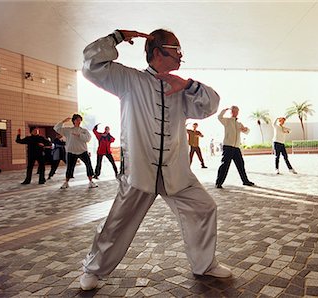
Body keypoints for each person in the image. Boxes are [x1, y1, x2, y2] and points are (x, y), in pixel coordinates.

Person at [79, 28, 231, 291]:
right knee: (117, 224)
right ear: (159, 51)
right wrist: (116, 37)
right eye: (176, 49)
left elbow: (210, 105)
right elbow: (91, 64)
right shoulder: (128, 79)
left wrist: (189, 85)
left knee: (204, 208)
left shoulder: (181, 87)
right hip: (139, 171)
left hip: (176, 171)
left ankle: (204, 264)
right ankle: (93, 269)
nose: (181, 55)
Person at [53, 114, 97, 189]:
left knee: (88, 165)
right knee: (70, 167)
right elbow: (56, 128)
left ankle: (91, 182)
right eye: (77, 120)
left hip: (83, 151)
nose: (79, 121)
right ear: (73, 121)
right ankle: (66, 182)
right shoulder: (68, 130)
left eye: (80, 120)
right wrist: (63, 121)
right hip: (71, 151)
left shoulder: (84, 130)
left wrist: (79, 135)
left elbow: (88, 139)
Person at [215, 106, 255, 188]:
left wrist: (245, 129)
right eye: (233, 111)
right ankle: (218, 183)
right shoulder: (227, 121)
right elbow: (219, 117)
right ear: (231, 112)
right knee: (225, 165)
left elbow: (247, 132)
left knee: (241, 165)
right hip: (228, 146)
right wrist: (224, 110)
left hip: (236, 148)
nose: (235, 113)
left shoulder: (239, 123)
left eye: (236, 111)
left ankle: (245, 181)